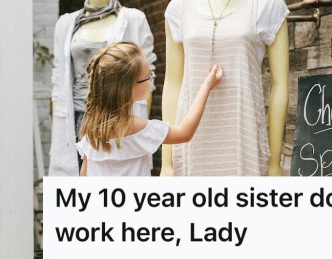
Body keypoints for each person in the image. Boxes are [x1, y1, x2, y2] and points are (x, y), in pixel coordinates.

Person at [161, 0, 289, 176]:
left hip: (243, 136)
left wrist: (274, 163)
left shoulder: (267, 4)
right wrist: (167, 163)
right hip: (191, 141)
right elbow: (173, 83)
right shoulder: (179, 8)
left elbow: (281, 85)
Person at [49, 0, 156, 176]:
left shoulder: (133, 19)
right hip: (76, 118)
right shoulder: (66, 24)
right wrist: (57, 131)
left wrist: (139, 124)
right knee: (78, 192)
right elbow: (58, 81)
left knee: (116, 187)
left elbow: (146, 76)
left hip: (117, 118)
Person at [75, 42, 223, 176]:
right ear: (128, 89)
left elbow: (84, 176)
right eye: (147, 76)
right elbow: (185, 132)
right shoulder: (137, 126)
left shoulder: (92, 131)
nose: (152, 79)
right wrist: (206, 86)